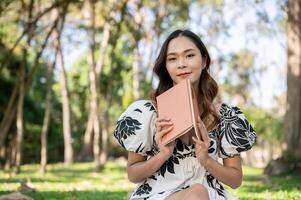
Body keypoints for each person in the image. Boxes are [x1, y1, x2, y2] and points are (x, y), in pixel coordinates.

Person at [114, 29, 256, 200]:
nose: (181, 64)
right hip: (158, 195)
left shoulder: (225, 116)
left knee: (198, 192)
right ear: (166, 67)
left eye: (189, 55)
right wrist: (163, 153)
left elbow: (235, 180)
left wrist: (206, 159)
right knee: (197, 193)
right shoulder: (149, 113)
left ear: (204, 61)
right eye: (172, 59)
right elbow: (133, 174)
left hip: (208, 195)